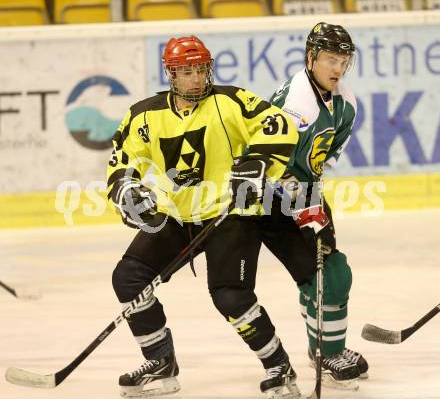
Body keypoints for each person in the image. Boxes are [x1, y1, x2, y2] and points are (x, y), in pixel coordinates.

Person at [107, 35, 302, 398]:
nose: (195, 79)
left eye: (200, 69)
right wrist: (126, 192)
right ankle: (161, 364)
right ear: (171, 74)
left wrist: (259, 160)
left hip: (229, 213)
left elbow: (279, 125)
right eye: (185, 71)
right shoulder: (143, 115)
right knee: (129, 278)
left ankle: (280, 368)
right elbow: (121, 161)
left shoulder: (230, 101)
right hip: (177, 214)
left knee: (230, 295)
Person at [262, 22, 369, 390]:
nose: (337, 68)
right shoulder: (297, 103)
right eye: (329, 59)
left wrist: (310, 198)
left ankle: (323, 350)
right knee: (324, 274)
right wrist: (297, 200)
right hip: (268, 200)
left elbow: (320, 160)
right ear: (311, 58)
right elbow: (268, 159)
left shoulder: (346, 104)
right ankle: (326, 351)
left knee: (329, 273)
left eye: (343, 60)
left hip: (305, 192)